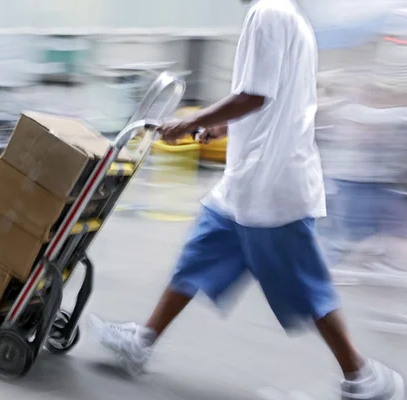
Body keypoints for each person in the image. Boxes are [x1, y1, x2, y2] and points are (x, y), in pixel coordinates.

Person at [88, 0, 405, 399]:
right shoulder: (290, 18)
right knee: (197, 258)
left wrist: (190, 121)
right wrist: (221, 125)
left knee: (306, 286)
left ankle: (360, 376)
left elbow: (255, 94)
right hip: (245, 183)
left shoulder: (269, 12)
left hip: (271, 187)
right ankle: (143, 341)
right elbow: (270, 100)